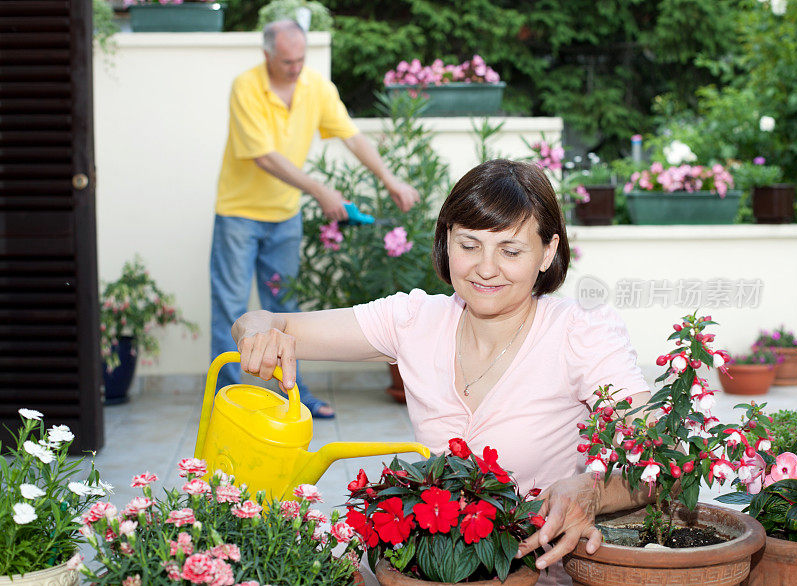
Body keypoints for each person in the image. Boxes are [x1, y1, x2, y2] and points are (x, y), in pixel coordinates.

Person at [231, 159, 654, 584]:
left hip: (541, 574)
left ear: (547, 252)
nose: (486, 268)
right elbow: (268, 320)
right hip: (434, 572)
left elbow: (666, 464)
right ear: (446, 241)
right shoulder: (414, 320)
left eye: (510, 251)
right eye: (469, 245)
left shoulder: (581, 333)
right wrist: (257, 333)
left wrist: (594, 491)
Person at [210, 19, 419, 418]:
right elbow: (263, 155)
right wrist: (321, 191)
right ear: (267, 54)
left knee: (285, 309)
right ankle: (228, 404)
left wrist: (389, 179)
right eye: (287, 61)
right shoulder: (246, 87)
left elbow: (352, 136)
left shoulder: (316, 87)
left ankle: (294, 396)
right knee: (231, 310)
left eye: (301, 59)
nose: (295, 67)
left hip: (285, 216)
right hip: (238, 214)